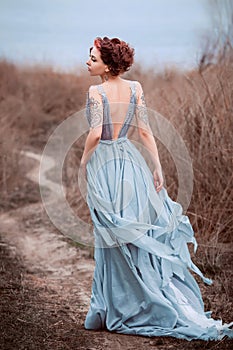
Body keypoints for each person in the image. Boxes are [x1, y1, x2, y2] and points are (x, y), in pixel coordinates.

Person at [80, 36, 233, 341]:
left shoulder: (97, 92)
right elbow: (145, 131)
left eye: (93, 58)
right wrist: (158, 166)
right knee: (134, 236)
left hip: (107, 165)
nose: (88, 61)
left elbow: (96, 134)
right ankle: (138, 300)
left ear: (109, 65)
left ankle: (118, 307)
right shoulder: (136, 89)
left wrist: (84, 162)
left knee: (112, 236)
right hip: (132, 165)